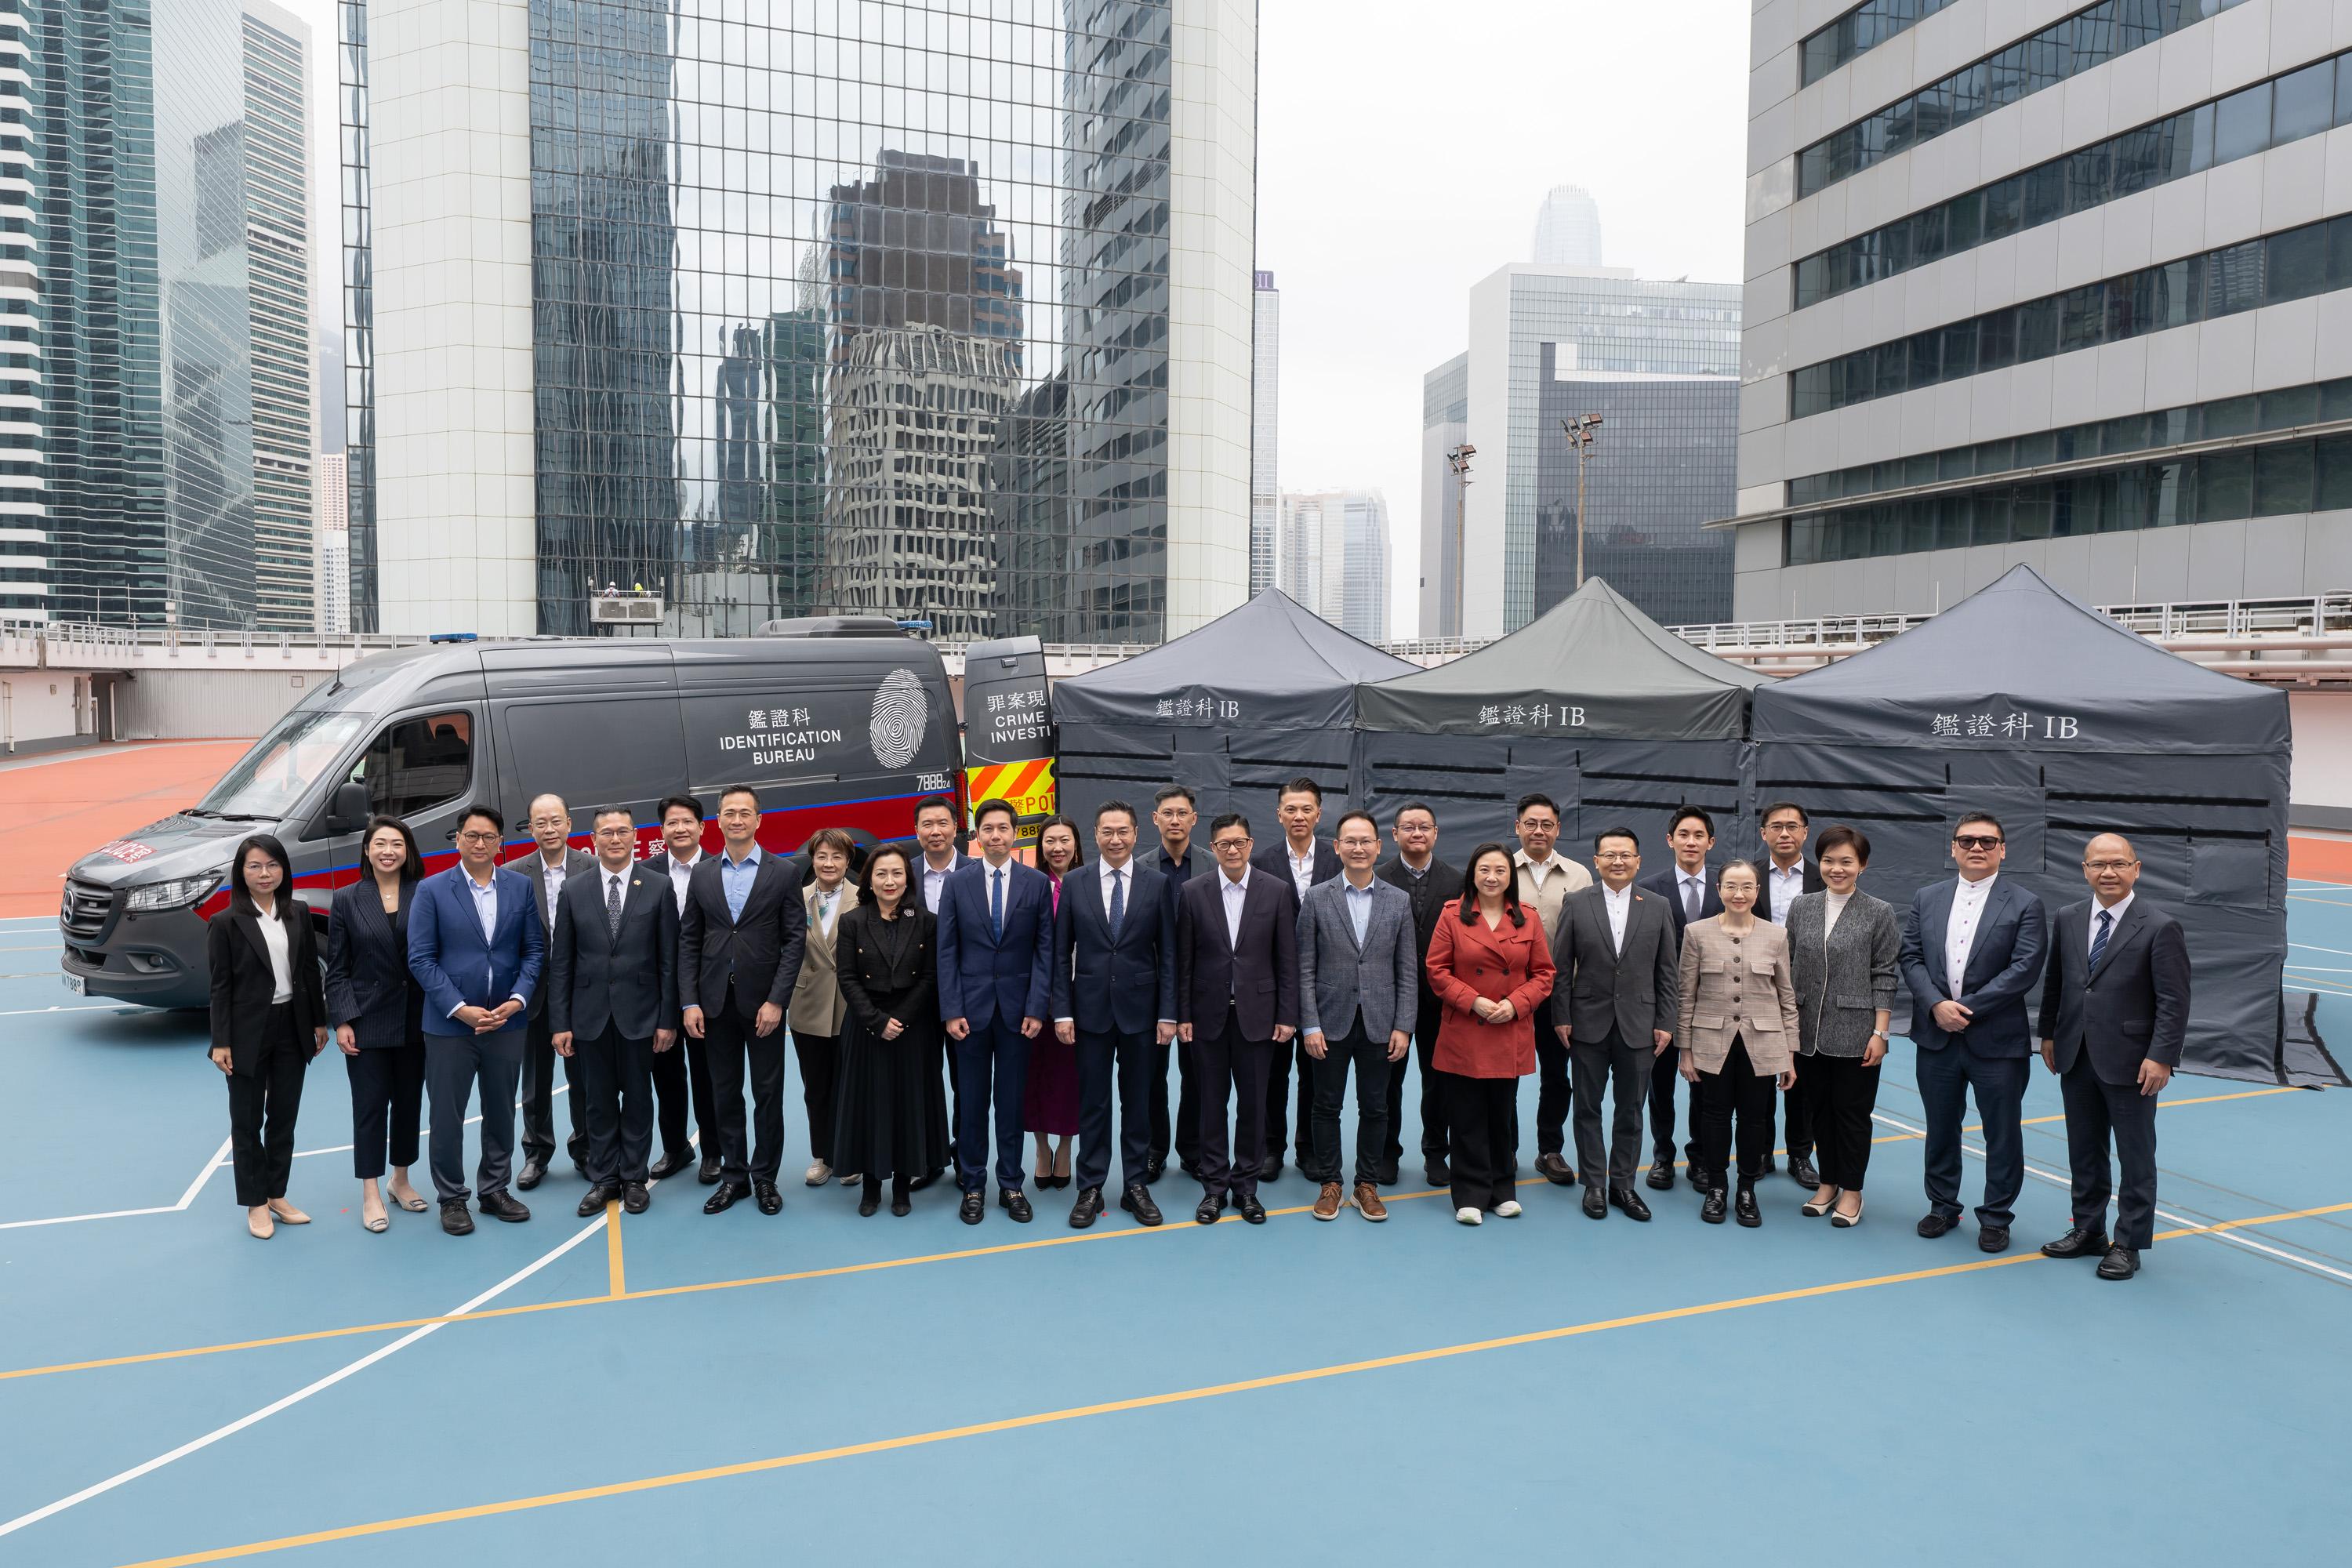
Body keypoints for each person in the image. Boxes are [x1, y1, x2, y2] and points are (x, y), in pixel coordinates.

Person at [2037, 833, 2190, 1281]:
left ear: (2136, 869)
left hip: (2132, 1060)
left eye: (2119, 864)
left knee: (2135, 1155)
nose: (2108, 872)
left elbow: (2174, 1001)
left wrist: (2161, 1056)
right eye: (2099, 864)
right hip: (2075, 1054)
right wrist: (2048, 1032)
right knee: (2085, 1151)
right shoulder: (2068, 918)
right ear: (2084, 870)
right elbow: (2058, 982)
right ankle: (2088, 1230)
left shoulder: (2160, 926)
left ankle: (2129, 1241)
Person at [1898, 811, 2048, 1253]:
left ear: (2002, 849)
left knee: (2002, 1131)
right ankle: (1943, 1205)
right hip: (1937, 1037)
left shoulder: (2024, 903)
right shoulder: (1928, 897)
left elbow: (2025, 968)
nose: (1976, 848)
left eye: (1987, 841)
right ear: (1953, 848)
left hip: (1997, 1041)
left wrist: (1963, 1009)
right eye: (1967, 841)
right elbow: (1910, 958)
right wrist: (1934, 1005)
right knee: (1941, 1126)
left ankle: (1997, 1216)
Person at [408, 803, 544, 1234]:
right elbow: (421, 958)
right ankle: (451, 1198)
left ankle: (494, 1190)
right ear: (458, 839)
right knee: (447, 1114)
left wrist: (520, 998)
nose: (480, 843)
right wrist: (459, 1009)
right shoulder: (432, 890)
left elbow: (534, 951)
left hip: (507, 1023)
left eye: (488, 837)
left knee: (502, 1110)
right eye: (472, 836)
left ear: (501, 842)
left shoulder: (520, 888)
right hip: (450, 1026)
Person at [679, 783, 808, 1218]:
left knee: (768, 1092)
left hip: (763, 1006)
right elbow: (690, 941)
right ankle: (734, 1177)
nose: (736, 820)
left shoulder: (784, 872)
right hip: (714, 1004)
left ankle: (765, 1177)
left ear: (758, 820)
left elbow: (794, 942)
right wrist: (689, 1002)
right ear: (718, 820)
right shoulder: (703, 874)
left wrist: (777, 1001)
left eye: (744, 813)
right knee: (724, 1092)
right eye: (729, 812)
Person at [547, 806, 680, 1216]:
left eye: (623, 831)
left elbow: (668, 961)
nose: (615, 839)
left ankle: (635, 1178)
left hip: (641, 1016)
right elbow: (562, 961)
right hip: (589, 1018)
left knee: (639, 1098)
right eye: (607, 833)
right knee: (598, 1101)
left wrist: (666, 1019)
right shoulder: (574, 889)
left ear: (635, 836)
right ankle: (605, 1177)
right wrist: (560, 1022)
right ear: (593, 840)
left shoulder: (658, 887)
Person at [1052, 800, 1178, 1229]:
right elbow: (1059, 954)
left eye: (1123, 831)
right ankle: (1090, 1187)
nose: (1116, 839)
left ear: (1136, 833)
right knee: (1093, 1103)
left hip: (1142, 1014)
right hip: (1088, 1013)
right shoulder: (1075, 883)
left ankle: (1135, 1186)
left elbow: (1169, 956)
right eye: (1107, 831)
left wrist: (1168, 1013)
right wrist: (1061, 1013)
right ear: (1096, 835)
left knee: (1139, 1102)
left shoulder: (1157, 884)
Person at [1175, 812, 1298, 1226]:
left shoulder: (1276, 891)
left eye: (1240, 842)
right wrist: (1183, 1015)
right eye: (1224, 844)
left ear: (1250, 845)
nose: (1233, 849)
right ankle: (1214, 1188)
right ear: (1213, 849)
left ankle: (1246, 1188)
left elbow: (1287, 959)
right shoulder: (1193, 892)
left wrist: (1286, 1014)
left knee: (1254, 1105)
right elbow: (1184, 961)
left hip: (1259, 1019)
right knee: (1211, 1104)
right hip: (1207, 1018)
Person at [936, 797, 1055, 1225]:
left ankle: (1011, 1183)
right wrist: (951, 1009)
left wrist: (1037, 1008)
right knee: (970, 1103)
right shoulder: (958, 883)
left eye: (1004, 828)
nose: (996, 836)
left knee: (1010, 1103)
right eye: (988, 829)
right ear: (977, 836)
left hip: (1018, 1015)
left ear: (1014, 833)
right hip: (968, 1014)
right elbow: (946, 951)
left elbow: (1046, 951)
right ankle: (972, 1185)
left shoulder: (1035, 884)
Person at [1294, 810, 1417, 1222]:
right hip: (1329, 1022)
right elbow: (1305, 967)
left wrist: (1404, 1025)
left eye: (1366, 841)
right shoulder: (1316, 897)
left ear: (1379, 846)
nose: (1359, 848)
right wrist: (1309, 1023)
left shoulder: (1397, 900)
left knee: (1376, 1106)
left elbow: (1407, 970)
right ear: (1338, 847)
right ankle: (1331, 1182)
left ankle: (1367, 1184)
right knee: (1325, 1105)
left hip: (1381, 1022)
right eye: (1350, 841)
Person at [1552, 826, 1678, 1222]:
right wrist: (1562, 1016)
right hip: (1587, 1023)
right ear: (1597, 860)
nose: (1618, 861)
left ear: (1639, 861)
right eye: (1610, 855)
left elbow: (1667, 971)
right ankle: (1594, 1183)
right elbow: (1560, 968)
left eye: (1626, 855)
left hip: (1640, 1025)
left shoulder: (1657, 905)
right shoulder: (1576, 902)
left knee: (1631, 1110)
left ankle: (1623, 1184)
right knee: (1587, 1107)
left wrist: (1666, 1021)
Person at [1424, 844, 1555, 1225]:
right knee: (1465, 1114)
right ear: (1473, 874)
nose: (1492, 877)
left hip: (1508, 1028)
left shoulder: (1527, 918)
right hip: (1466, 1027)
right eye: (1484, 870)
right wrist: (1473, 1001)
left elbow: (1544, 974)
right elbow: (1437, 969)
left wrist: (1516, 1004)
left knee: (1501, 1113)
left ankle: (1502, 1190)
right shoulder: (1453, 915)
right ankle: (1469, 1194)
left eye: (1500, 870)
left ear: (1510, 876)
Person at [209, 833, 329, 1240]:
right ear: (241, 873)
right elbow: (220, 986)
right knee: (246, 1122)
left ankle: (277, 1194)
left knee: (284, 1117)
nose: (265, 873)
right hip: (246, 1032)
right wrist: (220, 1041)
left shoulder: (297, 912)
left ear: (284, 869)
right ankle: (255, 1203)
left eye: (272, 865)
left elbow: (310, 973)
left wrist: (318, 1021)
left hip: (291, 1027)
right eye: (255, 866)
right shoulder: (226, 923)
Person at [1674, 861, 1800, 1227]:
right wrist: (1686, 1050)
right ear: (1719, 889)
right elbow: (1687, 995)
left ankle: (1747, 1189)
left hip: (1762, 1043)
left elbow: (1786, 998)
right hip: (1711, 1040)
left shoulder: (1776, 935)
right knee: (1712, 1115)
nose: (1739, 894)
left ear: (1758, 891)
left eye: (1747, 887)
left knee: (1754, 1118)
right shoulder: (1696, 933)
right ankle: (1716, 1187)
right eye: (1731, 886)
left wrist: (1789, 1056)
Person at [1785, 826, 1899, 1228]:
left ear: (1862, 866)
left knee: (1852, 1114)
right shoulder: (1802, 907)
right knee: (1819, 1112)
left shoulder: (1879, 912)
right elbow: (1789, 967)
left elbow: (1885, 974)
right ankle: (1828, 1183)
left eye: (1846, 861)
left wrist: (1880, 1032)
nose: (1837, 868)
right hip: (1806, 1031)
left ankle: (1852, 1190)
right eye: (1829, 860)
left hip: (1856, 1031)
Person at [832, 844, 952, 1217]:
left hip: (912, 1028)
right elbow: (848, 977)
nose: (890, 881)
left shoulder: (926, 921)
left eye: (897, 873)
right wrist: (877, 1021)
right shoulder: (853, 921)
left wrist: (900, 1019)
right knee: (869, 1105)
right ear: (869, 878)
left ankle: (902, 1185)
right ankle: (871, 1186)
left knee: (906, 1105)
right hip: (867, 1027)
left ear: (907, 877)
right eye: (881, 874)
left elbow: (930, 976)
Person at [325, 815, 430, 1233]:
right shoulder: (347, 899)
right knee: (369, 1108)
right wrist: (343, 1020)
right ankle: (370, 1190)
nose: (389, 851)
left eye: (397, 844)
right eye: (380, 843)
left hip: (418, 1018)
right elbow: (336, 970)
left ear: (408, 852)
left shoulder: (425, 893)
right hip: (367, 1020)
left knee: (408, 1104)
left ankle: (400, 1180)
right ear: (367, 850)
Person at [1250, 776, 1340, 1181]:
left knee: (1315, 1070)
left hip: (1324, 987)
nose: (1299, 816)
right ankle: (1271, 1147)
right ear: (1279, 814)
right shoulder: (1262, 862)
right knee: (1273, 1071)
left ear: (1319, 814)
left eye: (1307, 809)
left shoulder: (1337, 860)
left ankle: (1309, 1148)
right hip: (1274, 984)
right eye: (1291, 809)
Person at [1377, 801, 1460, 1189]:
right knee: (1387, 1082)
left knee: (1439, 1080)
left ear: (1436, 833)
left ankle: (1435, 1153)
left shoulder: (1458, 881)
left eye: (1424, 827)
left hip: (1441, 1001)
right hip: (1390, 999)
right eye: (1408, 827)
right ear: (1394, 835)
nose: (1417, 833)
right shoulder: (1377, 878)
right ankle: (1386, 1154)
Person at [515, 793, 594, 1191]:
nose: (549, 829)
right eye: (540, 823)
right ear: (531, 829)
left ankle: (585, 1149)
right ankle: (536, 1153)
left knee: (583, 1077)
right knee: (535, 1079)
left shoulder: (592, 867)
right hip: (534, 993)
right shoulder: (513, 873)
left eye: (556, 821)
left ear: (569, 823)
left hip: (582, 992)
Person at [1512, 792, 1590, 1185]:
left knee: (1557, 1077)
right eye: (1531, 823)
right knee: (1503, 1074)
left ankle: (1550, 1150)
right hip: (1507, 998)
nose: (1538, 831)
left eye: (1547, 824)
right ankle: (1504, 1150)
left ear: (1558, 829)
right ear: (1518, 827)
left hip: (1561, 995)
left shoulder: (1579, 876)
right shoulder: (1499, 871)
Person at [1639, 806, 1719, 1189]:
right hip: (1661, 1006)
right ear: (1670, 840)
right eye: (1683, 834)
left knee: (1703, 1087)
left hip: (1711, 1010)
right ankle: (1662, 1156)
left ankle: (1700, 1158)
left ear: (1710, 842)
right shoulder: (1650, 889)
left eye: (1699, 835)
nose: (1691, 841)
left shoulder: (1728, 889)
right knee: (1662, 1087)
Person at [641, 794, 718, 1183]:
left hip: (708, 991)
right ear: (662, 831)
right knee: (665, 1072)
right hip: (660, 992)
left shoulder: (721, 868)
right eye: (672, 823)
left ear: (703, 827)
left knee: (707, 1074)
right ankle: (675, 1148)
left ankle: (713, 1151)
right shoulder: (646, 872)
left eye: (688, 821)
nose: (680, 829)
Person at [1140, 783, 1208, 1181]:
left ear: (1194, 819)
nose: (1176, 820)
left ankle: (1193, 1150)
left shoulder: (1212, 864)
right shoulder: (1142, 868)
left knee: (1197, 1074)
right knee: (1152, 1076)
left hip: (1200, 988)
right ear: (1156, 819)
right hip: (1153, 991)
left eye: (1183, 813)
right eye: (1168, 813)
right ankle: (1154, 1149)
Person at [1758, 800, 1827, 1188]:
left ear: (1805, 832)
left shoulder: (1825, 879)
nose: (1784, 833)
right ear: (1763, 832)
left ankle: (1801, 1155)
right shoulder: (1745, 876)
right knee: (1758, 1075)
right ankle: (1762, 1150)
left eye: (1792, 826)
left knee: (1801, 1078)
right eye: (1776, 826)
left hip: (1807, 994)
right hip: (1753, 988)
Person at [788, 827, 859, 1187]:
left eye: (837, 856)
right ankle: (824, 1156)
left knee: (852, 1085)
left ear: (848, 861)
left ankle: (853, 1155)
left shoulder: (865, 898)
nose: (829, 863)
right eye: (822, 856)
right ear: (812, 860)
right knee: (816, 1087)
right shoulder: (794, 898)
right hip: (808, 1006)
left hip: (852, 1008)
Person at [1024, 815, 1084, 1190]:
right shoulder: (1030, 886)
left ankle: (1065, 1148)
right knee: (1036, 1078)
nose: (1057, 848)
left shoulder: (1087, 883)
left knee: (1070, 1079)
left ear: (1076, 844)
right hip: (1033, 1001)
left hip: (1078, 999)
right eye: (1050, 841)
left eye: (1065, 840)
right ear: (1040, 846)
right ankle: (1041, 1148)